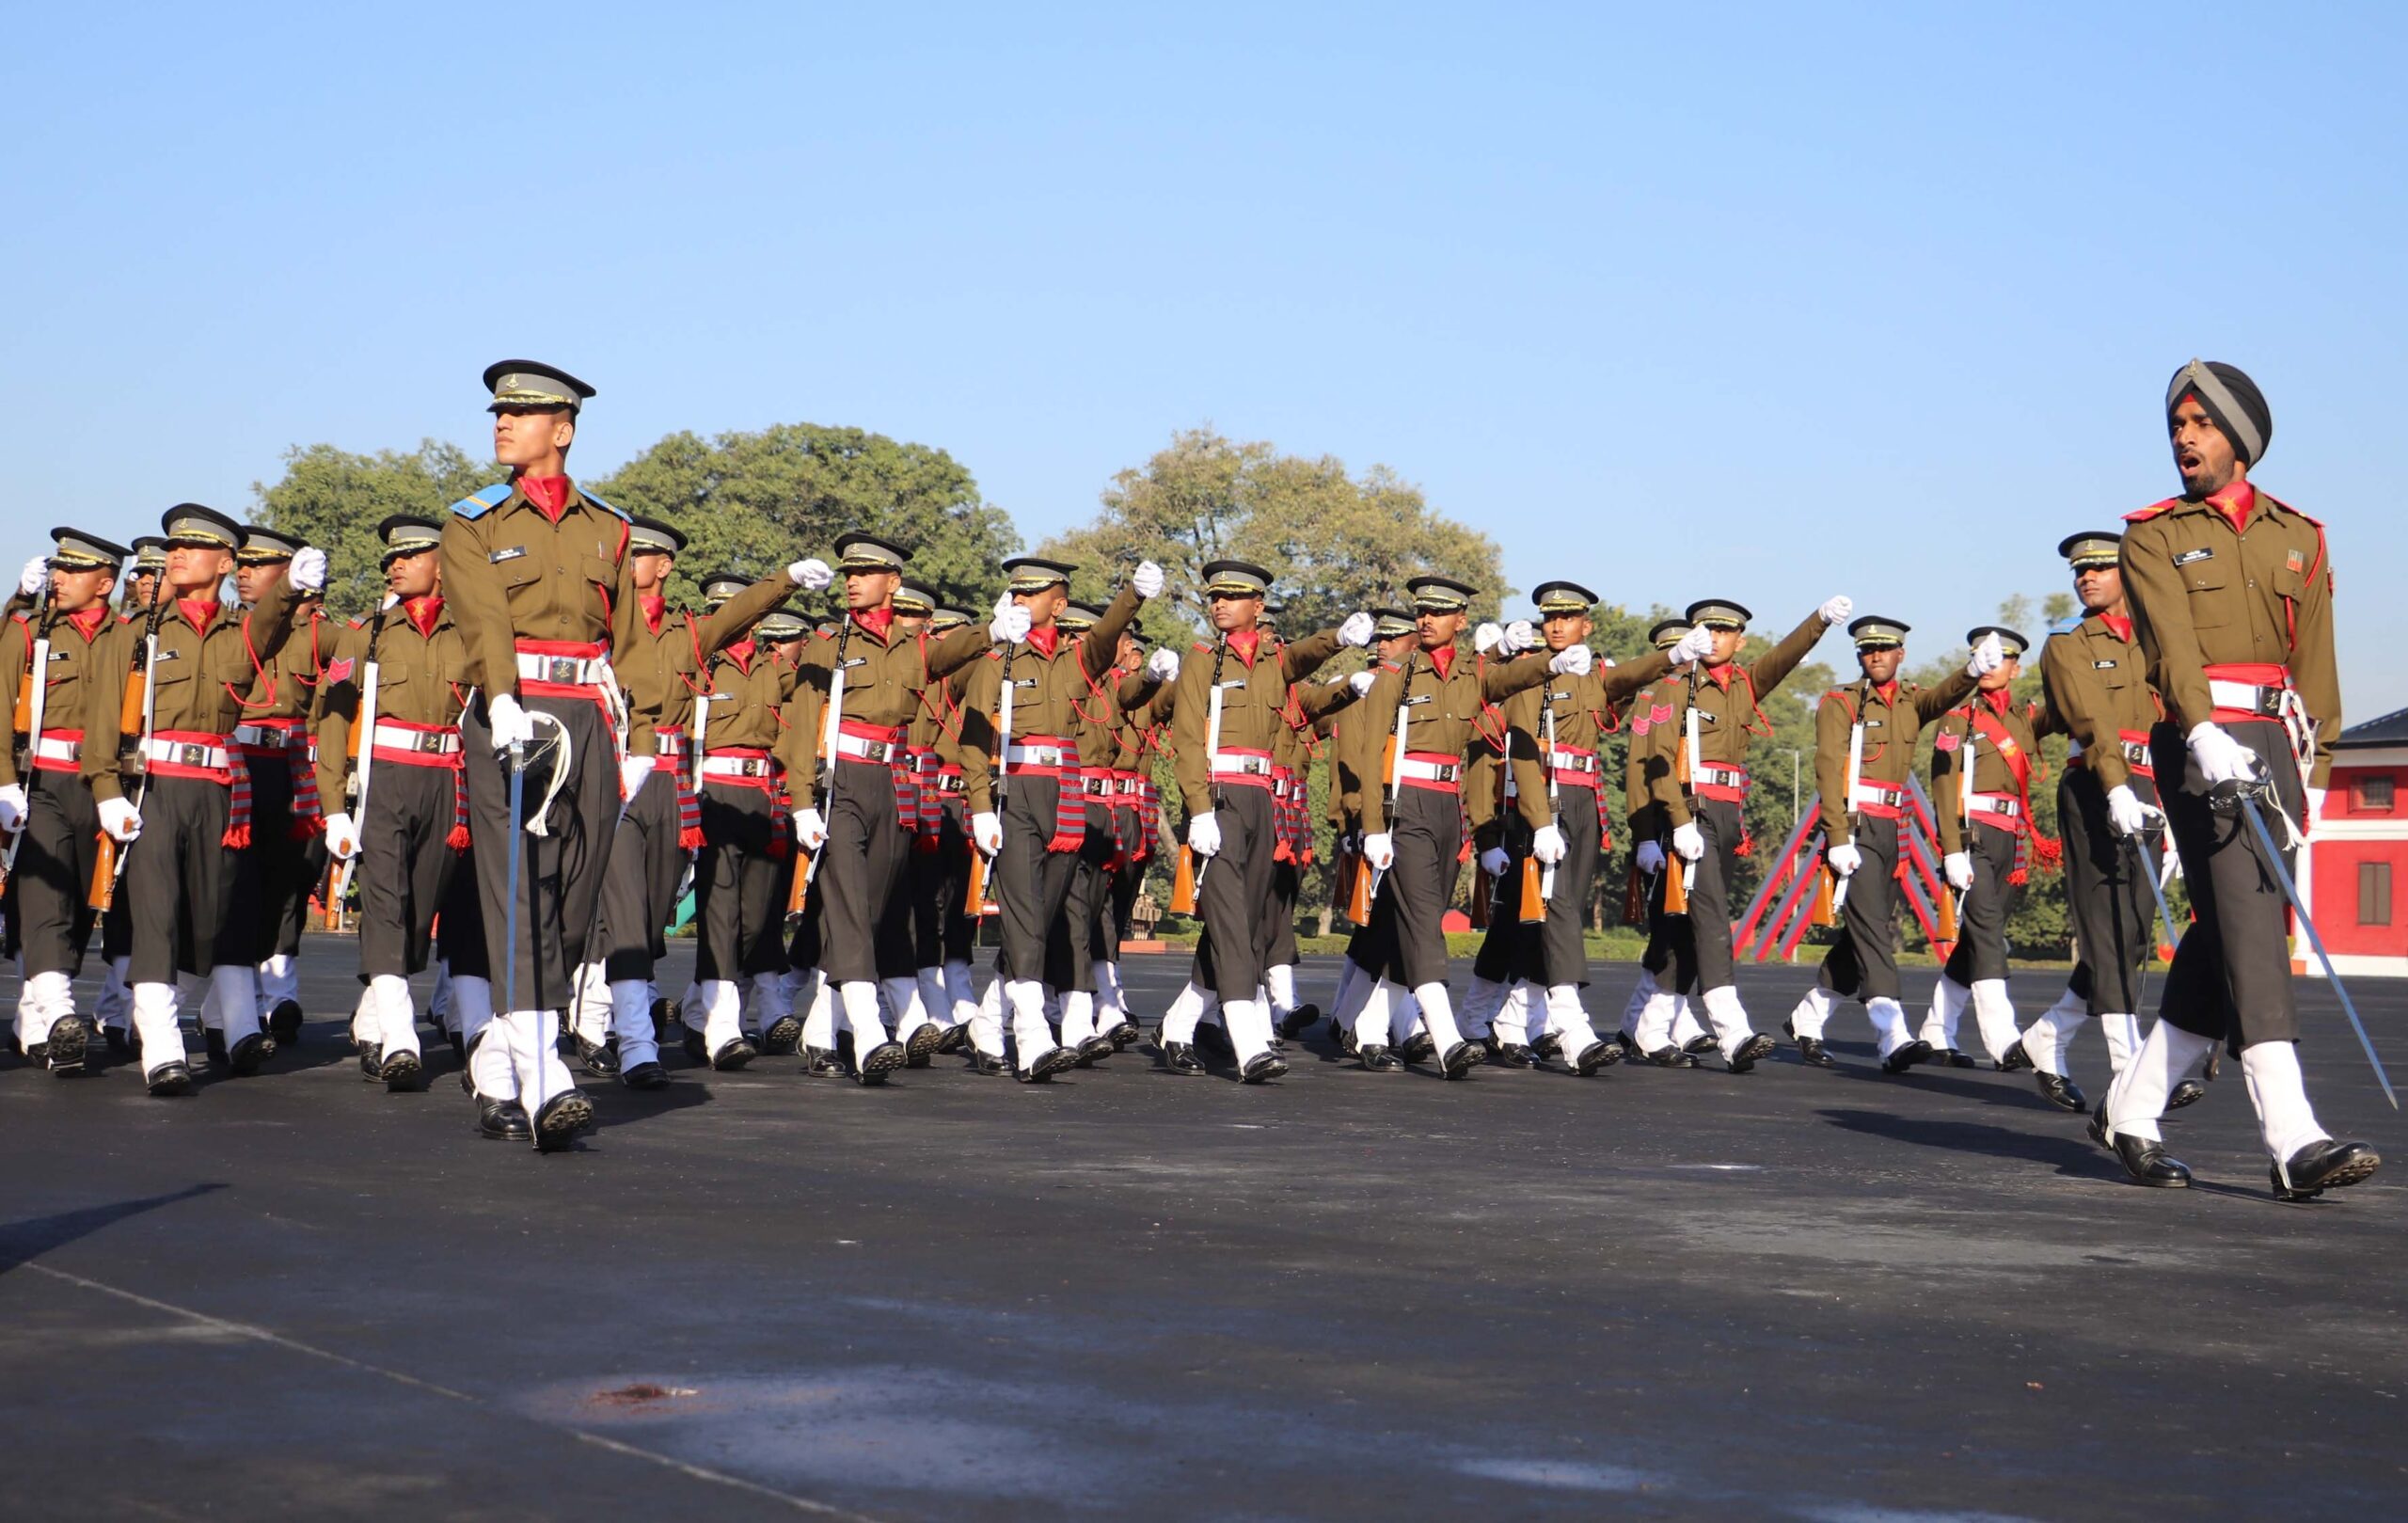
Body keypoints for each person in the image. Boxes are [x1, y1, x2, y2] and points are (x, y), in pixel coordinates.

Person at [2098, 359, 2378, 1198]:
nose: (2185, 438)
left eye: (2202, 424)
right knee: (2252, 929)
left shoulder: (2302, 535)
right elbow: (2175, 645)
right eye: (2177, 426)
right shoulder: (2150, 534)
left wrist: (2319, 772)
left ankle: (2132, 1109)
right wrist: (2203, 729)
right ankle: (2292, 1135)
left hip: (2278, 746)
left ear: (2242, 439)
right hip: (2199, 745)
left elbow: (2316, 663)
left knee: (2229, 932)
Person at [439, 359, 667, 1151]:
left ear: (561, 429)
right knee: (517, 892)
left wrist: (640, 738)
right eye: (498, 413)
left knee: (575, 897)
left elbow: (633, 642)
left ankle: (498, 1058)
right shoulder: (474, 522)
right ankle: (545, 1072)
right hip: (515, 715)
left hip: (591, 715)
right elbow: (479, 619)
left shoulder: (610, 527)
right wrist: (500, 697)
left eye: (521, 414)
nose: (502, 423)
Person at [84, 504, 317, 1095]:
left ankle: (214, 1018)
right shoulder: (134, 632)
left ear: (224, 561)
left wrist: (291, 584)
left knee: (216, 916)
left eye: (192, 548)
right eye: (172, 548)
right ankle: (162, 1046)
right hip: (153, 789)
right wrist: (108, 791)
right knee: (158, 916)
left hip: (218, 791)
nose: (176, 555)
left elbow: (274, 615)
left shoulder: (242, 630)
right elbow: (102, 719)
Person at [567, 522, 806, 1087]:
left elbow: (741, 612)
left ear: (664, 566)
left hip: (671, 787)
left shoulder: (688, 635)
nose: (628, 564)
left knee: (649, 922)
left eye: (640, 556)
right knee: (624, 912)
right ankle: (635, 1043)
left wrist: (788, 579)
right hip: (616, 775)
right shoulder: (600, 625)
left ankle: (592, 1010)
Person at [790, 533, 1006, 1083]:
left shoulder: (910, 650)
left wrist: (992, 633)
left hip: (891, 781)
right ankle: (868, 1035)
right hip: (842, 782)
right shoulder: (828, 642)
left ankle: (819, 1033)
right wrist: (800, 802)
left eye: (864, 573)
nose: (852, 581)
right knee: (847, 901)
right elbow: (800, 725)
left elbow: (948, 655)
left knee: (871, 908)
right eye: (847, 574)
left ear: (893, 582)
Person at [1347, 576, 1571, 1076]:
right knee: (1425, 922)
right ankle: (1447, 1037)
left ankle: (1365, 1028)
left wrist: (1553, 662)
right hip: (1406, 806)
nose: (1425, 619)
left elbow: (1511, 682)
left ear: (1460, 620)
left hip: (1447, 808)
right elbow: (1368, 753)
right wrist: (1374, 825)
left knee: (1414, 922)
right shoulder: (1398, 673)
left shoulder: (1473, 674)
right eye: (1421, 610)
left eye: (1438, 611)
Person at [2011, 531, 2200, 1112]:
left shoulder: (2157, 640)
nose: (2086, 578)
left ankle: (2050, 1034)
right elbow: (2093, 723)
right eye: (2079, 571)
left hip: (2153, 788)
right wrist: (2118, 788)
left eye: (2100, 568)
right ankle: (2131, 1067)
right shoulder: (2067, 643)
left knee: (2130, 933)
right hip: (2097, 789)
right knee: (2107, 927)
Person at [1158, 561, 1368, 1080]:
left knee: (1243, 925)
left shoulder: (1274, 661)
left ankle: (1178, 1025)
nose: (1219, 604)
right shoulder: (1203, 660)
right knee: (1230, 921)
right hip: (1220, 799)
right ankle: (1250, 1043)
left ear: (1258, 606)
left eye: (1232, 597)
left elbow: (1303, 660)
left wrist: (1338, 637)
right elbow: (1185, 738)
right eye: (1214, 598)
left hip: (1263, 800)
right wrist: (1199, 810)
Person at [1485, 581, 1707, 1071]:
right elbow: (1522, 754)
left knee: (1554, 915)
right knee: (1559, 908)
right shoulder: (1529, 673)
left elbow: (1629, 676)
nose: (1557, 625)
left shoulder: (1595, 673)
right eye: (1550, 618)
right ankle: (1573, 1028)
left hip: (1584, 800)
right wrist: (1539, 822)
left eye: (1568, 618)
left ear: (1587, 624)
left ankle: (1509, 1019)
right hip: (1545, 799)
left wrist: (1673, 656)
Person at [957, 556, 1153, 1080]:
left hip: (1064, 793)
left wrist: (1133, 594)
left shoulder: (1073, 662)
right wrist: (979, 808)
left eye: (1033, 593)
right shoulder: (995, 660)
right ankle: (1033, 1037)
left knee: (1037, 921)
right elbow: (973, 742)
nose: (1020, 599)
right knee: (1024, 913)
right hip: (1016, 792)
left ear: (1058, 604)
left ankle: (986, 1021)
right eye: (1015, 592)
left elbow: (1107, 635)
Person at [1634, 595, 1850, 1070]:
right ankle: (1732, 1030)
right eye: (1705, 631)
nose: (1713, 639)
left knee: (1686, 929)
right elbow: (1657, 764)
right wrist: (1678, 820)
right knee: (1712, 919)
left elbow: (1786, 656)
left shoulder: (1745, 687)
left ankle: (1650, 1029)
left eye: (1724, 632)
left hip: (1729, 814)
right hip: (1693, 813)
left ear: (1739, 640)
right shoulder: (1675, 687)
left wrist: (1818, 621)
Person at [1784, 617, 1996, 1071]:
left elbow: (1944, 697)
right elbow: (1827, 767)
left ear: (1901, 653)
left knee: (1866, 929)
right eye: (1867, 650)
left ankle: (1808, 1016)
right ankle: (1892, 1034)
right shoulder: (1840, 702)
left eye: (1884, 649)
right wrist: (1837, 836)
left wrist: (1973, 671)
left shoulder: (1910, 701)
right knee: (1873, 932)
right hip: (1856, 829)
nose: (1875, 656)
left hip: (1893, 830)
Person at [313, 515, 472, 1091]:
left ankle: (375, 1012)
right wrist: (333, 803)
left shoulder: (469, 631)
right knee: (385, 898)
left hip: (446, 782)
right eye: (391, 559)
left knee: (419, 906)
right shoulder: (369, 633)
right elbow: (335, 719)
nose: (396, 565)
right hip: (385, 778)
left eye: (410, 556)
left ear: (442, 565)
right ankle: (401, 1037)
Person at [2, 529, 131, 1071]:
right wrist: (5, 780)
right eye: (58, 568)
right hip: (44, 783)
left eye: (74, 571)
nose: (59, 577)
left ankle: (34, 1020)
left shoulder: (129, 638)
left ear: (105, 583)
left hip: (103, 788)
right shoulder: (29, 631)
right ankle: (59, 1013)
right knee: (43, 896)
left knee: (80, 903)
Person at [1923, 627, 2061, 1069]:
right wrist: (1950, 848)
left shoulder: (2024, 717)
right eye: (1982, 657)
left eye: (2000, 658)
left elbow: (2072, 707)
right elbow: (1943, 784)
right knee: (1987, 934)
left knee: (1978, 938)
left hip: (2012, 839)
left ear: (2015, 668)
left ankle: (1935, 1031)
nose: (1990, 666)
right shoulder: (1957, 717)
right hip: (1973, 835)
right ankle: (2003, 1039)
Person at [231, 524, 338, 1046]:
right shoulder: (230, 628)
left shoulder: (322, 634)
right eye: (242, 565)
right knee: (235, 882)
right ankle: (238, 1001)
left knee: (289, 881)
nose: (245, 573)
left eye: (260, 565)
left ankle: (281, 994)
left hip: (294, 767)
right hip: (236, 762)